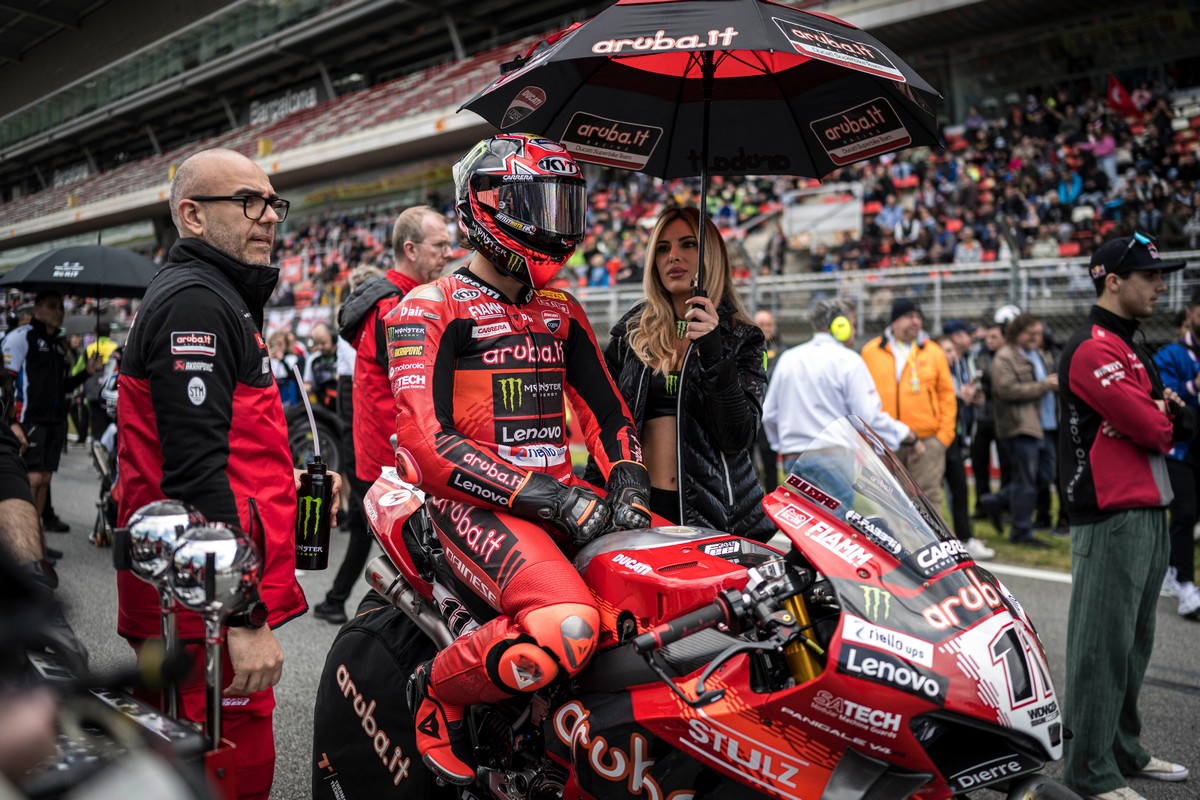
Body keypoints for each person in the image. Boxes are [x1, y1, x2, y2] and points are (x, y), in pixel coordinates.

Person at [388, 134, 650, 785]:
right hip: (471, 504)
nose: (558, 223)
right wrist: (556, 498)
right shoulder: (429, 305)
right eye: (541, 204)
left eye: (567, 205)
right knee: (565, 626)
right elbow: (424, 446)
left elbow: (609, 415)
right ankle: (438, 692)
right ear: (484, 206)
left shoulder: (562, 310)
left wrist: (630, 484)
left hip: (561, 505)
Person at [116, 147, 340, 799]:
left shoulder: (217, 295)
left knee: (180, 768)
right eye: (248, 202)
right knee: (227, 778)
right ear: (192, 215)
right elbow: (193, 476)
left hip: (187, 598)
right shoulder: (197, 303)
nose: (269, 216)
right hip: (200, 609)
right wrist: (242, 616)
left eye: (273, 202)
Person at [1059, 233, 1195, 800]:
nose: (1162, 285)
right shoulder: (1094, 348)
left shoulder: (1129, 344)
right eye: (1150, 275)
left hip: (1147, 506)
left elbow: (1164, 419)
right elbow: (1159, 427)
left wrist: (1162, 416)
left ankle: (1123, 749)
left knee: (1134, 644)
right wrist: (1163, 417)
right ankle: (1089, 771)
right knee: (1101, 648)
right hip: (1111, 514)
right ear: (1112, 280)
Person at [591, 205, 773, 541]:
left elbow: (737, 436)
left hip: (718, 519)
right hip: (640, 512)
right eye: (662, 248)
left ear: (712, 256)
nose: (673, 256)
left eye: (688, 244)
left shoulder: (744, 337)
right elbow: (605, 429)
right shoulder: (629, 335)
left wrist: (714, 351)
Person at [317, 207, 451, 626]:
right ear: (410, 249)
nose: (449, 253)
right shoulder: (395, 305)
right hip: (391, 454)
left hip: (382, 449)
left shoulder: (395, 299)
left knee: (367, 530)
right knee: (412, 549)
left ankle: (339, 602)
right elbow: (403, 391)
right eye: (440, 245)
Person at [763, 299, 916, 505]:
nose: (854, 330)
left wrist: (784, 446)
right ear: (840, 326)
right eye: (852, 324)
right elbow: (867, 417)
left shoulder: (788, 358)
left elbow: (770, 414)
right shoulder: (849, 360)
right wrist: (905, 433)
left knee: (806, 529)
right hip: (833, 457)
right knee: (831, 529)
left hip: (794, 458)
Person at [2, 290, 101, 552]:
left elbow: (64, 386)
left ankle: (37, 545)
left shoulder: (59, 345)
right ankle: (22, 549)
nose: (59, 312)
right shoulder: (21, 338)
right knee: (33, 480)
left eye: (61, 307)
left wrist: (87, 373)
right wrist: (11, 422)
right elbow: (6, 382)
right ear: (37, 309)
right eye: (52, 306)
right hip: (29, 420)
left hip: (55, 422)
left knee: (44, 480)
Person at [861, 298, 957, 510]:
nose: (915, 322)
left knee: (926, 500)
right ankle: (890, 544)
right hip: (885, 440)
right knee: (885, 500)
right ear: (894, 321)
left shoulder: (933, 351)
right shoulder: (871, 351)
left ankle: (930, 544)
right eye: (909, 316)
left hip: (927, 442)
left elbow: (947, 396)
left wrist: (942, 438)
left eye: (918, 317)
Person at [978, 313, 1058, 547]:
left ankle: (995, 501)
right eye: (1030, 334)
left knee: (1044, 476)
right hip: (1022, 426)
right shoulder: (1005, 357)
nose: (1035, 338)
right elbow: (1006, 390)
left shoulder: (1039, 354)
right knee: (1026, 481)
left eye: (1038, 333)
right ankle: (1021, 531)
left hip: (1046, 425)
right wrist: (1045, 386)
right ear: (1017, 333)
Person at [1153, 288, 1200, 618]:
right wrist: (1194, 385)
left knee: (1193, 516)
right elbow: (1166, 399)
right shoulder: (1171, 353)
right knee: (1184, 513)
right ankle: (1185, 584)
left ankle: (1172, 570)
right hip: (1179, 449)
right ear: (1190, 312)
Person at [940, 320, 995, 560]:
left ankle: (963, 538)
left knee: (960, 489)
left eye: (952, 351)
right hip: (938, 439)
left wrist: (969, 399)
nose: (951, 355)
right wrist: (959, 398)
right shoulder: (932, 372)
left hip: (956, 435)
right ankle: (936, 541)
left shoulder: (964, 362)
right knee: (931, 493)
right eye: (947, 351)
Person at [753, 308, 781, 493]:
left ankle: (772, 496)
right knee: (748, 460)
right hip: (750, 410)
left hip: (769, 414)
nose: (765, 328)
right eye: (761, 324)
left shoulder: (782, 351)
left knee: (769, 459)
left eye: (768, 324)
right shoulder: (746, 348)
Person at [302, 321, 338, 411]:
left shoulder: (343, 357)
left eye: (323, 343)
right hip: (322, 407)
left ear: (333, 338)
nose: (320, 347)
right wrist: (308, 388)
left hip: (341, 406)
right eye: (317, 343)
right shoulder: (313, 360)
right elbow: (307, 384)